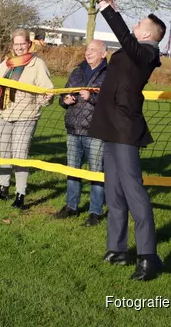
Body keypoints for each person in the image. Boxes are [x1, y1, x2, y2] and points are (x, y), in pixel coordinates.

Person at [89, 0, 166, 281]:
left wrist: (106, 6)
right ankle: (117, 248)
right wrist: (110, 3)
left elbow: (126, 39)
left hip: (124, 127)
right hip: (109, 125)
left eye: (138, 25)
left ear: (147, 34)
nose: (133, 27)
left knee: (134, 192)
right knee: (115, 191)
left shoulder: (147, 53)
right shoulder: (136, 50)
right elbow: (125, 43)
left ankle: (149, 256)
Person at [0, 29, 53, 207]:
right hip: (4, 114)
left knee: (20, 155)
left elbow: (47, 91)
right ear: (12, 46)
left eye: (22, 44)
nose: (20, 47)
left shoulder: (37, 64)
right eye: (16, 44)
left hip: (27, 116)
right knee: (4, 154)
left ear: (29, 44)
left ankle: (20, 194)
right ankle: (3, 188)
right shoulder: (6, 64)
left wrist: (45, 99)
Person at [54, 40, 108, 225]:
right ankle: (71, 207)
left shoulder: (109, 74)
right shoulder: (77, 71)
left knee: (96, 172)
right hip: (73, 127)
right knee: (72, 170)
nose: (89, 52)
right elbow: (64, 94)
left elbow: (112, 101)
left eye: (93, 50)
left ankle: (95, 212)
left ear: (104, 54)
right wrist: (65, 99)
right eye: (87, 49)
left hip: (96, 130)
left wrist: (92, 97)